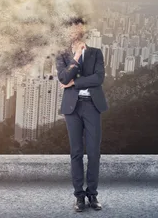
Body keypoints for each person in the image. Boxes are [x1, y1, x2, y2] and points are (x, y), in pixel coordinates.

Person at [55, 17, 108, 212]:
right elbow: (63, 77)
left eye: (78, 29)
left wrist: (75, 83)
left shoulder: (96, 53)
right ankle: (79, 197)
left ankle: (92, 195)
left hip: (92, 106)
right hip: (72, 108)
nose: (74, 32)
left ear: (83, 30)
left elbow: (98, 78)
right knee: (76, 153)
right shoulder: (62, 55)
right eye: (71, 29)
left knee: (94, 153)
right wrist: (76, 57)